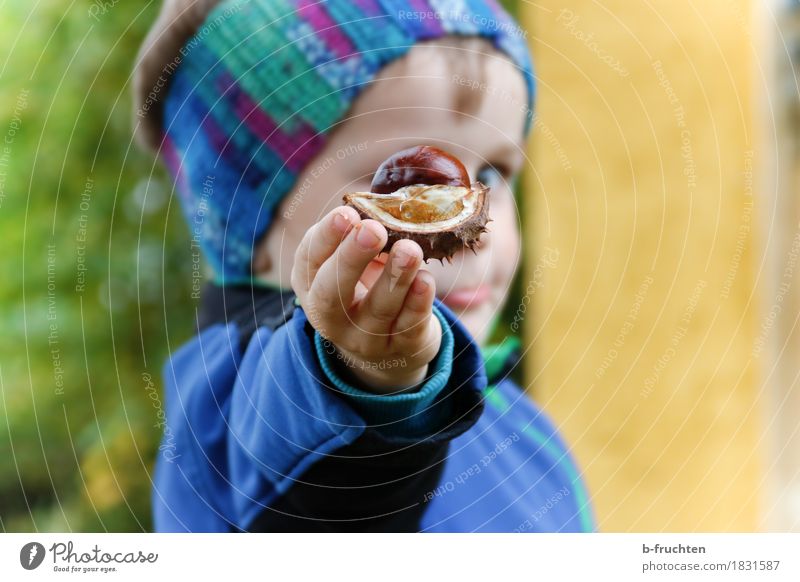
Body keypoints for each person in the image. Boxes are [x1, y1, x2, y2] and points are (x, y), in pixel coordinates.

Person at [133, 0, 594, 532]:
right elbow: (322, 477)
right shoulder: (234, 401)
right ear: (251, 226)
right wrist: (372, 377)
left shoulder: (521, 426)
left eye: (492, 173)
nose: (477, 228)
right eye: (406, 185)